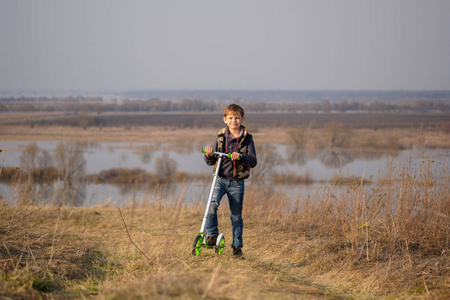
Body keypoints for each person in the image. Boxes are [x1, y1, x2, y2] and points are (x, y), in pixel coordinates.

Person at [203, 104, 257, 258]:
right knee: (211, 207)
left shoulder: (247, 139)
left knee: (236, 216)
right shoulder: (220, 137)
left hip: (237, 183)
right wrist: (208, 154)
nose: (234, 121)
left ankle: (237, 248)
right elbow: (210, 161)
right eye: (231, 118)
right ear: (225, 120)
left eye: (237, 118)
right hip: (219, 180)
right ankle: (212, 235)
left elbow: (253, 161)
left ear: (242, 119)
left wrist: (241, 157)